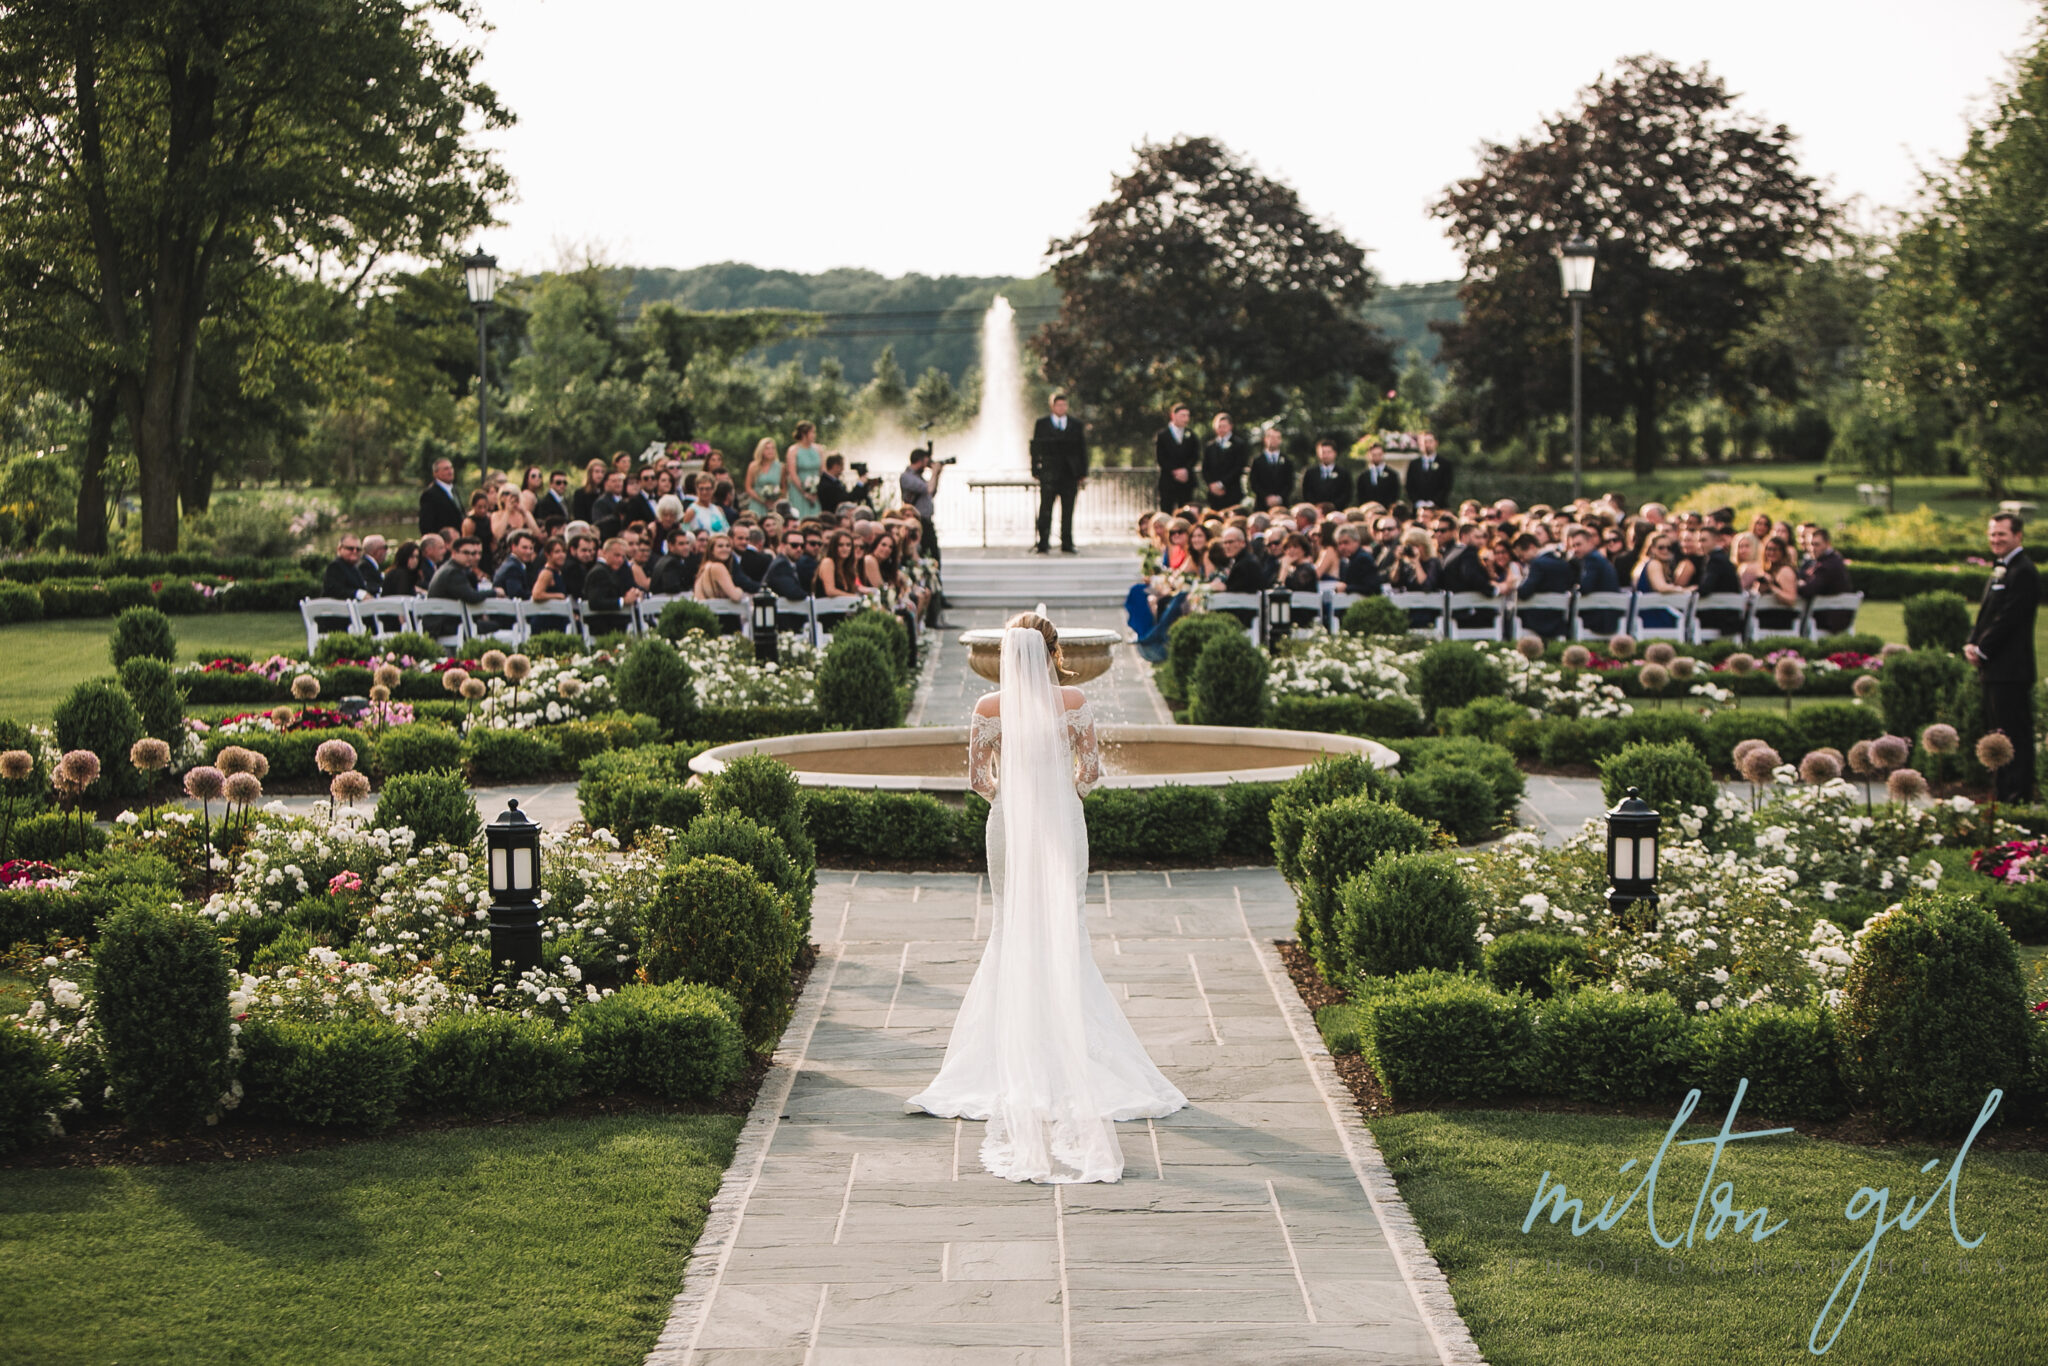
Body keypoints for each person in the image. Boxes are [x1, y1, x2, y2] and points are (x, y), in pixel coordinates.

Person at [906, 613, 1185, 1182]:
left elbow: (979, 781)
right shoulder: (1076, 700)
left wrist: (1015, 795)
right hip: (1063, 824)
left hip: (1009, 825)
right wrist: (1059, 793)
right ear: (1053, 651)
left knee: (1011, 926)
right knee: (1064, 927)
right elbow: (1091, 772)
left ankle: (1010, 1054)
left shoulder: (988, 709)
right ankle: (1071, 1052)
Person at [1968, 513, 2039, 803]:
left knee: (2014, 737)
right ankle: (2002, 792)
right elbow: (1987, 613)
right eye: (1993, 534)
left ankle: (2017, 796)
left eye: (2002, 535)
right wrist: (1971, 642)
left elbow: (2010, 619)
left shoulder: (2024, 571)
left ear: (2018, 536)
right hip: (1994, 668)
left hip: (2011, 669)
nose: (1996, 539)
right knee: (1996, 733)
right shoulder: (2002, 568)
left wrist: (1982, 650)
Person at [1030, 392, 1089, 554]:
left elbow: (1082, 449)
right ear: (1052, 406)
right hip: (1049, 474)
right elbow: (1035, 450)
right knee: (1046, 509)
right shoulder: (1042, 424)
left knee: (1068, 511)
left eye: (1064, 405)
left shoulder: (1075, 425)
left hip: (1069, 474)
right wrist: (1036, 469)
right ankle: (1043, 542)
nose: (1062, 408)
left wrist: (1083, 472)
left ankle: (1067, 542)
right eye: (1058, 405)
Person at [1513, 533, 1577, 639]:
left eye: (1521, 555)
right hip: (1558, 620)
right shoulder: (1563, 563)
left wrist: (1517, 585)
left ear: (1531, 547)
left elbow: (1524, 593)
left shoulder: (1538, 564)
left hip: (1538, 621)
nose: (1522, 560)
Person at [1796, 525, 1855, 633]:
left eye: (1817, 544)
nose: (1813, 548)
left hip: (1830, 618)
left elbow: (1808, 591)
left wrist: (1798, 585)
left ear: (1827, 544)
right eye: (1811, 544)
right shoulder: (1834, 559)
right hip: (1839, 616)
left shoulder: (1827, 565)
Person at [582, 538, 643, 636]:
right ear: (605, 553)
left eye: (623, 557)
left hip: (615, 623)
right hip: (603, 626)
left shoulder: (611, 571)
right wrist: (623, 601)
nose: (620, 560)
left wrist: (635, 593)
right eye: (617, 555)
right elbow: (595, 602)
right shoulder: (599, 572)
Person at [1694, 522, 1746, 635]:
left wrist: (1691, 589)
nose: (1700, 545)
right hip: (1728, 616)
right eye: (1699, 541)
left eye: (1703, 540)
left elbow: (1705, 589)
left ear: (1716, 540)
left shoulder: (1715, 560)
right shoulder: (1723, 558)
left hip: (1723, 619)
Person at [1632, 532, 1689, 631]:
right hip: (1652, 615)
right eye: (1661, 547)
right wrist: (1683, 590)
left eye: (1669, 547)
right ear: (1652, 549)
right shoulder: (1654, 564)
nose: (1665, 550)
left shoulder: (1656, 565)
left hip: (1653, 612)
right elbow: (1661, 587)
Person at [900, 444, 945, 567]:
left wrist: (938, 475)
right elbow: (928, 489)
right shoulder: (907, 477)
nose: (927, 466)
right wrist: (934, 472)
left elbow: (932, 493)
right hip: (917, 521)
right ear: (919, 461)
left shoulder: (918, 477)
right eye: (926, 462)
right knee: (923, 552)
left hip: (926, 520)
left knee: (934, 553)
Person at [1154, 403, 1197, 510]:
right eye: (1183, 415)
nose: (1186, 419)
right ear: (1173, 416)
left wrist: (1186, 470)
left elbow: (1195, 455)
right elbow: (1160, 457)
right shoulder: (1162, 435)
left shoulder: (1191, 435)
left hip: (1186, 482)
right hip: (1168, 481)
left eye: (1188, 415)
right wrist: (1175, 471)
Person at [1201, 411, 1246, 511]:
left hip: (1231, 491)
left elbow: (1239, 467)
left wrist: (1221, 484)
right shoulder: (1210, 446)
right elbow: (1205, 468)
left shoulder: (1239, 444)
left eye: (1224, 426)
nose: (1221, 429)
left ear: (1230, 426)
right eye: (1219, 426)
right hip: (1214, 494)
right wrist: (1212, 485)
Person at [782, 421, 825, 518]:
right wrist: (805, 492)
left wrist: (819, 490)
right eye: (812, 432)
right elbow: (792, 474)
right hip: (799, 490)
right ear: (804, 434)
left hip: (816, 490)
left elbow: (823, 471)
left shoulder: (818, 449)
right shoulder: (793, 450)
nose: (814, 435)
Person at [1247, 427, 1293, 509]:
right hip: (1262, 505)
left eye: (1277, 437)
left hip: (1282, 505)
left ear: (1280, 440)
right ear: (1265, 439)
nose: (1273, 440)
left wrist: (1279, 498)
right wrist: (1266, 497)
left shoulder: (1287, 461)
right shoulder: (1257, 461)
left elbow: (1290, 483)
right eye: (1271, 437)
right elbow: (1253, 483)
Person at [418, 458, 464, 539]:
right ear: (435, 473)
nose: (450, 471)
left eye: (451, 468)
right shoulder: (430, 494)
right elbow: (426, 525)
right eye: (446, 469)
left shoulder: (454, 491)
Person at [1331, 524, 1381, 597]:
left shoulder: (1364, 559)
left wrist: (1347, 588)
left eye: (1346, 542)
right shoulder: (1344, 561)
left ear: (1356, 541)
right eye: (1339, 544)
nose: (1342, 547)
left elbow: (1373, 588)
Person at [1299, 439, 1351, 508]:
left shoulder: (1343, 473)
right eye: (1323, 452)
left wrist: (1333, 506)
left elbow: (1347, 493)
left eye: (1329, 452)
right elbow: (1306, 492)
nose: (1326, 455)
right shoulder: (1310, 472)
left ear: (1335, 453)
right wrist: (1316, 506)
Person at [321, 534, 370, 602]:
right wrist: (359, 593)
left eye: (358, 549)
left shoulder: (354, 568)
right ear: (339, 549)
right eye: (350, 549)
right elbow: (334, 591)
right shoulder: (335, 566)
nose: (355, 551)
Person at [491, 531, 538, 600]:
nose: (529, 552)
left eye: (531, 548)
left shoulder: (513, 563)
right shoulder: (513, 567)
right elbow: (516, 593)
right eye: (524, 548)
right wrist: (538, 595)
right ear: (513, 547)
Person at [742, 438, 782, 517]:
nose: (770, 451)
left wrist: (776, 500)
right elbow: (748, 487)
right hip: (757, 501)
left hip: (774, 503)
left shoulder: (781, 467)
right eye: (767, 448)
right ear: (761, 450)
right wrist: (763, 501)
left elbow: (783, 487)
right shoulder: (753, 466)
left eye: (772, 448)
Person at [528, 537, 572, 603]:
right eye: (557, 552)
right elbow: (537, 595)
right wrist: (558, 596)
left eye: (563, 551)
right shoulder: (547, 573)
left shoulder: (558, 571)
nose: (562, 555)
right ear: (548, 555)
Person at [1356, 440, 1400, 505]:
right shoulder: (1362, 476)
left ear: (1383, 454)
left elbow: (1394, 495)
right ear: (1368, 455)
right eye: (1374, 455)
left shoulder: (1392, 475)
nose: (1377, 457)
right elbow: (1360, 495)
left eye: (1379, 454)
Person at [570, 459, 607, 523]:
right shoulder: (580, 493)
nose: (600, 475)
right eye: (597, 472)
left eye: (602, 472)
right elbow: (579, 517)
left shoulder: (606, 493)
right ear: (590, 473)